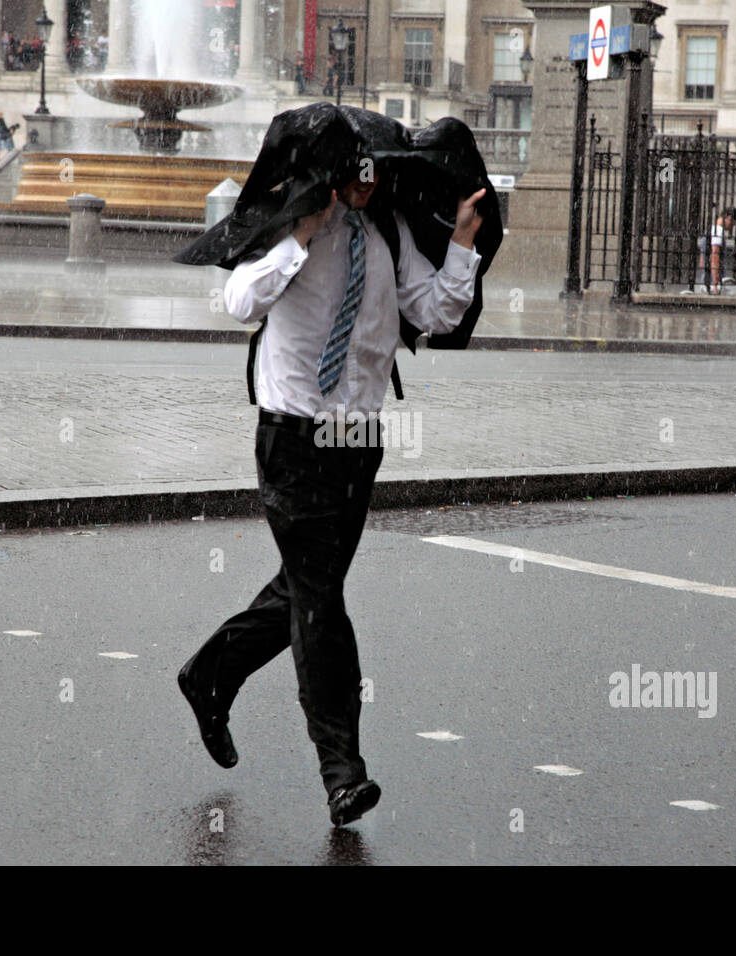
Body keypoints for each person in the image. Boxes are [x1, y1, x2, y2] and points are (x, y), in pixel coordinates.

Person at [175, 114, 488, 828]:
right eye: (356, 171)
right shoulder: (292, 229)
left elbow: (433, 313)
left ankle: (210, 674)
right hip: (292, 434)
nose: (366, 182)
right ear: (332, 174)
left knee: (307, 588)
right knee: (319, 597)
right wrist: (301, 235)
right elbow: (236, 302)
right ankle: (342, 769)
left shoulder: (388, 235)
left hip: (358, 437)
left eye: (373, 171)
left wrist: (463, 242)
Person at [699, 206, 736, 294]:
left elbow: (702, 262)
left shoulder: (709, 230)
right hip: (712, 284)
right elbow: (715, 257)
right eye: (733, 224)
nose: (732, 228)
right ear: (729, 218)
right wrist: (715, 284)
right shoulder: (718, 231)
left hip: (706, 281)